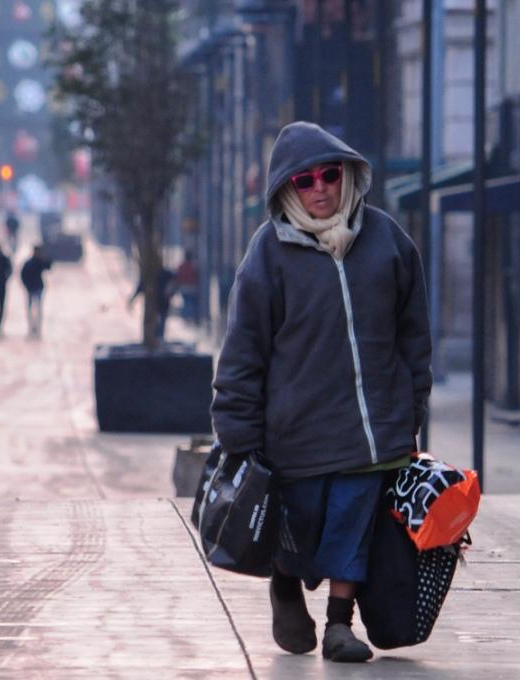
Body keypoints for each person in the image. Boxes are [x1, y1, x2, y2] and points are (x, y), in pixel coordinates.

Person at [210, 122, 432, 663]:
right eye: (304, 180)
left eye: (330, 175)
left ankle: (339, 624)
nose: (320, 188)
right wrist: (237, 430)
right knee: (300, 529)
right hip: (296, 436)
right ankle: (286, 584)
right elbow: (244, 349)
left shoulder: (387, 241)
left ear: (347, 175)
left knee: (353, 527)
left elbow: (414, 336)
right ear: (288, 189)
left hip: (371, 433)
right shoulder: (268, 253)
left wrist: (411, 407)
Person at [127, 266, 177, 341]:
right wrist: (133, 299)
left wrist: (170, 293)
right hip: (154, 304)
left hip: (162, 302)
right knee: (156, 322)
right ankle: (156, 338)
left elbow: (175, 283)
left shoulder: (165, 274)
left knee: (161, 321)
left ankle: (159, 338)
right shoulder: (149, 275)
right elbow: (140, 287)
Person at [20, 245, 52, 336]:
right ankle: (31, 326)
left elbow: (49, 266)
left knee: (38, 308)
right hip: (31, 288)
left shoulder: (40, 261)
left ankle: (37, 326)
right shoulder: (29, 263)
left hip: (38, 288)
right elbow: (23, 275)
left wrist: (45, 257)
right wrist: (26, 285)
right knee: (31, 308)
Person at [176, 249, 198, 324]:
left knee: (186, 303)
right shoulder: (193, 266)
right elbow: (196, 276)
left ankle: (187, 318)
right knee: (191, 303)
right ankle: (190, 317)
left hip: (184, 287)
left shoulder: (182, 266)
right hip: (192, 287)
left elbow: (179, 277)